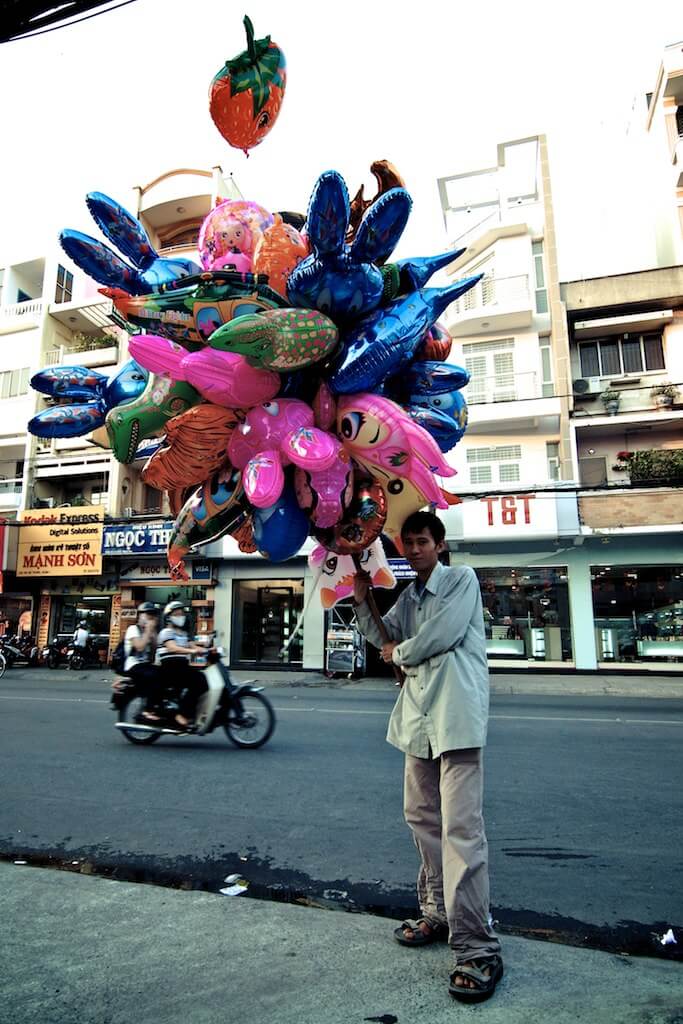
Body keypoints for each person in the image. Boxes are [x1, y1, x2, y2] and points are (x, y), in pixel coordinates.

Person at [353, 510, 503, 1004]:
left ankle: (478, 947)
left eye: (422, 541)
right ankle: (437, 913)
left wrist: (398, 652)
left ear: (439, 545)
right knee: (421, 819)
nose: (414, 549)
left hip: (456, 721)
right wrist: (360, 602)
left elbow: (440, 637)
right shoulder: (409, 596)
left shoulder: (460, 581)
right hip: (418, 724)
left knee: (461, 831)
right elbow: (381, 637)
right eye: (408, 543)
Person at [156, 601, 208, 730]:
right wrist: (192, 651)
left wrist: (209, 649)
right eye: (176, 614)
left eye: (182, 614)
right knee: (198, 682)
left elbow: (192, 645)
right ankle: (181, 714)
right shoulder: (166, 632)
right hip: (170, 666)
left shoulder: (183, 634)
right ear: (168, 617)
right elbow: (172, 647)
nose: (180, 616)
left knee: (202, 680)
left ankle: (192, 712)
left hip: (181, 665)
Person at [123, 602, 162, 722]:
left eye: (153, 615)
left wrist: (153, 633)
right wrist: (148, 631)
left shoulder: (149, 631)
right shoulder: (133, 629)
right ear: (140, 615)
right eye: (148, 614)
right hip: (133, 665)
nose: (151, 617)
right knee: (153, 676)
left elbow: (153, 652)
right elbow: (139, 646)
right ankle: (146, 710)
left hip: (145, 665)